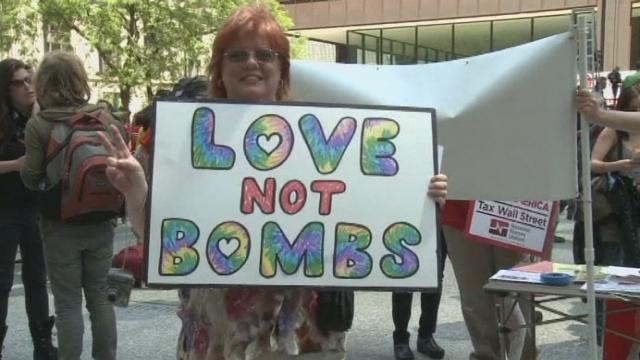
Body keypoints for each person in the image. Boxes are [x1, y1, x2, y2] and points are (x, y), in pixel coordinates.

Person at [98, 4, 448, 359]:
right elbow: (159, 239)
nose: (251, 62)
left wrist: (419, 194)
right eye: (237, 55)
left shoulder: (325, 138)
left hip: (303, 331)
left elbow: (370, 211)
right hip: (221, 333)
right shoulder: (189, 139)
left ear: (282, 70)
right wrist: (135, 190)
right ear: (219, 71)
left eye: (265, 54)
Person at [21, 51, 125, 360]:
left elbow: (30, 178)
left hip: (60, 224)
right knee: (100, 298)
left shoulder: (40, 124)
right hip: (102, 220)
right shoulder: (105, 118)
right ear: (80, 79)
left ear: (43, 83)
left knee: (67, 304)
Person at [0, 58, 57, 359]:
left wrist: (38, 119)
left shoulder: (40, 116)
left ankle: (43, 346)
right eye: (19, 82)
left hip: (34, 208)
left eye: (29, 79)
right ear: (6, 89)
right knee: (2, 280)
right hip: (4, 209)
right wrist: (16, 165)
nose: (27, 86)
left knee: (37, 276)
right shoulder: (3, 120)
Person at [441, 200, 536, 360]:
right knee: (475, 300)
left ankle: (525, 356)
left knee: (517, 297)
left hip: (513, 207)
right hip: (460, 210)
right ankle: (487, 356)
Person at [391, 232, 446, 360]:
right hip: (405, 216)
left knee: (434, 276)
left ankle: (426, 336)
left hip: (438, 220)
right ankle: (400, 340)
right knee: (403, 276)